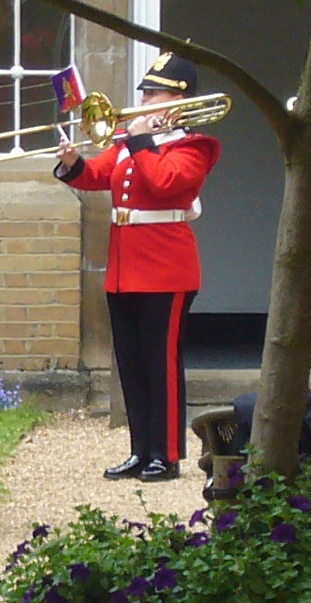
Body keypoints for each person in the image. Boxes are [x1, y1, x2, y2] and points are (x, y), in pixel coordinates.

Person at [54, 50, 220, 482]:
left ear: (178, 103)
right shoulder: (129, 145)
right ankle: (140, 449)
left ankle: (166, 454)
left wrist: (142, 141)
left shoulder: (193, 146)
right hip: (125, 269)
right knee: (131, 363)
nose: (145, 102)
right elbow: (96, 176)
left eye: (155, 94)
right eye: (144, 93)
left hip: (167, 269)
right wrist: (72, 163)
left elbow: (166, 183)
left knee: (160, 365)